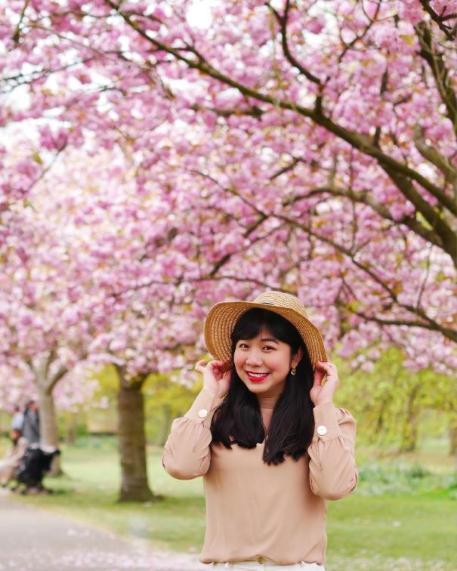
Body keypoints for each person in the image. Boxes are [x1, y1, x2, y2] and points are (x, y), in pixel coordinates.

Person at [162, 291, 358, 570]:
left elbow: (333, 487)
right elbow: (180, 466)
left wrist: (323, 405)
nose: (253, 360)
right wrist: (209, 395)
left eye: (268, 348)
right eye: (244, 346)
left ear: (295, 357)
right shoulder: (214, 418)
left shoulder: (330, 422)